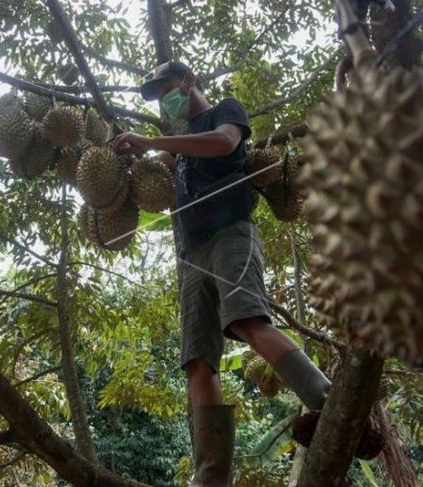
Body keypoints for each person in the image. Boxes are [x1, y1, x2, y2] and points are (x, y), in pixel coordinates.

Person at [112, 61, 331, 486]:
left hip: (231, 233)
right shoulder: (174, 155)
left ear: (189, 79)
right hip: (190, 255)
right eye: (158, 96)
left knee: (247, 320)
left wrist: (152, 139)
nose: (165, 99)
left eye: (167, 88)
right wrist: (129, 156)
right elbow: (153, 180)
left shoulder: (224, 113)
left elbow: (224, 143)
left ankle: (327, 399)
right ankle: (210, 478)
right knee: (198, 361)